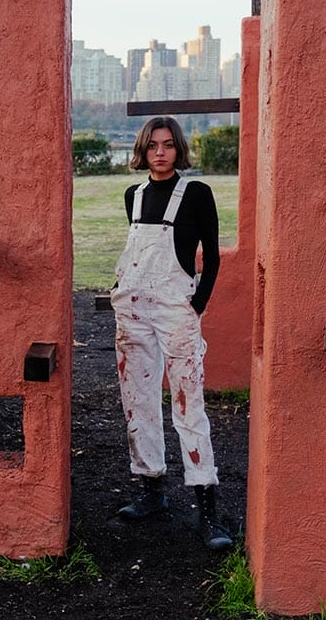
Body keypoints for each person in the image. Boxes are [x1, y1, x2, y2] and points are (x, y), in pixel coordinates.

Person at [110, 116, 232, 550]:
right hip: (133, 312)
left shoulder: (197, 194)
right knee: (138, 400)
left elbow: (212, 257)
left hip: (176, 311)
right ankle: (151, 489)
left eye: (168, 145)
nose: (160, 153)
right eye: (152, 146)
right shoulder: (135, 195)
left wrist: (197, 304)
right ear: (142, 151)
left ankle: (207, 507)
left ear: (179, 150)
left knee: (188, 404)